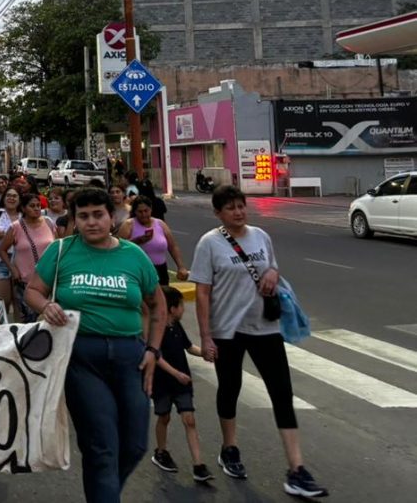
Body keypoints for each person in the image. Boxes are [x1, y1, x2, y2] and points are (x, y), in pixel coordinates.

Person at [25, 187, 165, 503]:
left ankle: (105, 492)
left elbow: (157, 305)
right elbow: (32, 291)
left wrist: (154, 350)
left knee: (135, 445)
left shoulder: (133, 255)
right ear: (74, 220)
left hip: (131, 357)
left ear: (111, 216)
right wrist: (45, 305)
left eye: (97, 215)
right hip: (80, 358)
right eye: (83, 216)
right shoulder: (61, 251)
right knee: (101, 446)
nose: (91, 222)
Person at [190, 185, 328, 498]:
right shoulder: (208, 244)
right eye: (230, 208)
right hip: (227, 330)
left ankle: (296, 469)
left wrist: (272, 275)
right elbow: (202, 292)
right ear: (218, 213)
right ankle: (230, 449)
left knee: (282, 393)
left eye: (241, 205)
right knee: (230, 389)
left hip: (265, 327)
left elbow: (273, 267)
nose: (238, 212)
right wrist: (206, 336)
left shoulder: (260, 236)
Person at [150, 286, 211, 483]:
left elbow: (189, 346)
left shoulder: (176, 326)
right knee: (164, 417)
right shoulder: (155, 328)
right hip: (163, 382)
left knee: (189, 419)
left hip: (182, 382)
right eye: (182, 306)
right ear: (172, 308)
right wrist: (176, 373)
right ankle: (161, 452)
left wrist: (205, 353)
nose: (183, 309)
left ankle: (198, 465)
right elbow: (156, 356)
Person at [0, 193, 56, 323]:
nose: (36, 208)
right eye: (32, 206)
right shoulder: (16, 227)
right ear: (23, 208)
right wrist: (13, 269)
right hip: (25, 282)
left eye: (38, 205)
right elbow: (2, 250)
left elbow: (57, 247)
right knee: (28, 320)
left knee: (48, 318)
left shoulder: (49, 223)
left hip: (48, 280)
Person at [118, 196, 188, 286]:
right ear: (135, 212)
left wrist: (181, 267)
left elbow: (173, 246)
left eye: (146, 211)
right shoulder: (129, 225)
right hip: (139, 272)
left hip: (161, 270)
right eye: (140, 212)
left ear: (151, 209)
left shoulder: (160, 224)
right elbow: (118, 247)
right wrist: (137, 241)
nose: (143, 215)